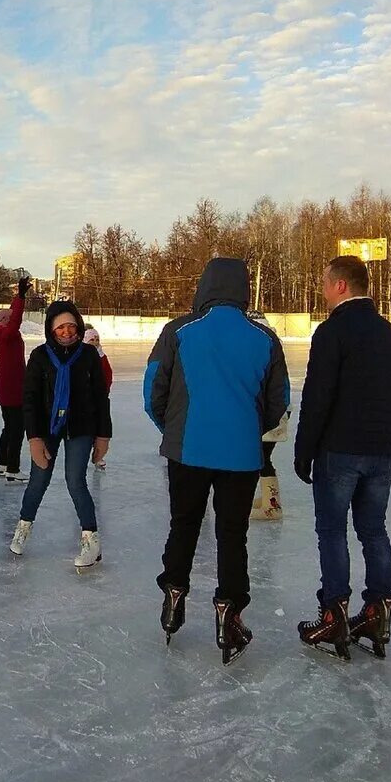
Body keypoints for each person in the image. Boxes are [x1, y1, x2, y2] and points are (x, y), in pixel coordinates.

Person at [143, 258, 290, 665]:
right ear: (244, 289)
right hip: (241, 456)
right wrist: (257, 444)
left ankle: (174, 592)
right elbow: (280, 404)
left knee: (183, 525)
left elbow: (152, 391)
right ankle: (229, 612)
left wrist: (171, 430)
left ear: (203, 286)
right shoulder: (264, 337)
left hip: (187, 450)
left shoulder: (178, 331)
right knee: (232, 535)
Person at [294, 256, 391, 660]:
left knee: (332, 531)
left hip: (340, 451)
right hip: (382, 451)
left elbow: (317, 398)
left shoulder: (332, 333)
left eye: (325, 282)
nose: (322, 289)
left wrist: (303, 451)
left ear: (341, 286)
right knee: (374, 530)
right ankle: (377, 611)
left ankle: (335, 614)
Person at [8, 301, 112, 571]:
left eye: (70, 326)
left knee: (75, 480)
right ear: (51, 330)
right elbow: (29, 399)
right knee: (38, 479)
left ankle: (91, 541)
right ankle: (23, 526)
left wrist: (103, 436)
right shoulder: (40, 356)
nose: (66, 332)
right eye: (60, 327)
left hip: (81, 426)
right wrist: (33, 438)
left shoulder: (89, 355)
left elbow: (101, 397)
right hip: (46, 428)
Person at [0, 277, 29, 482]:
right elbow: (16, 318)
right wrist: (20, 297)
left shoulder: (1, 333)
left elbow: (12, 315)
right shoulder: (6, 335)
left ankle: (2, 463)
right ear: (5, 322)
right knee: (17, 428)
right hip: (12, 387)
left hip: (6, 385)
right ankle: (13, 467)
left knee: (9, 426)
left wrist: (18, 297)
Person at [248, 312, 288, 520]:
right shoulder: (271, 344)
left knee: (261, 458)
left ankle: (272, 506)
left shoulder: (261, 346)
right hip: (276, 413)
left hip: (268, 415)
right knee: (262, 456)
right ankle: (269, 499)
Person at [82, 328, 114, 471]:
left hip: (100, 399)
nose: (95, 343)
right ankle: (81, 455)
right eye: (91, 340)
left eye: (97, 340)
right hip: (85, 400)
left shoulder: (102, 356)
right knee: (85, 430)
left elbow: (108, 375)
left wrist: (104, 392)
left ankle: (98, 457)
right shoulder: (81, 356)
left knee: (100, 430)